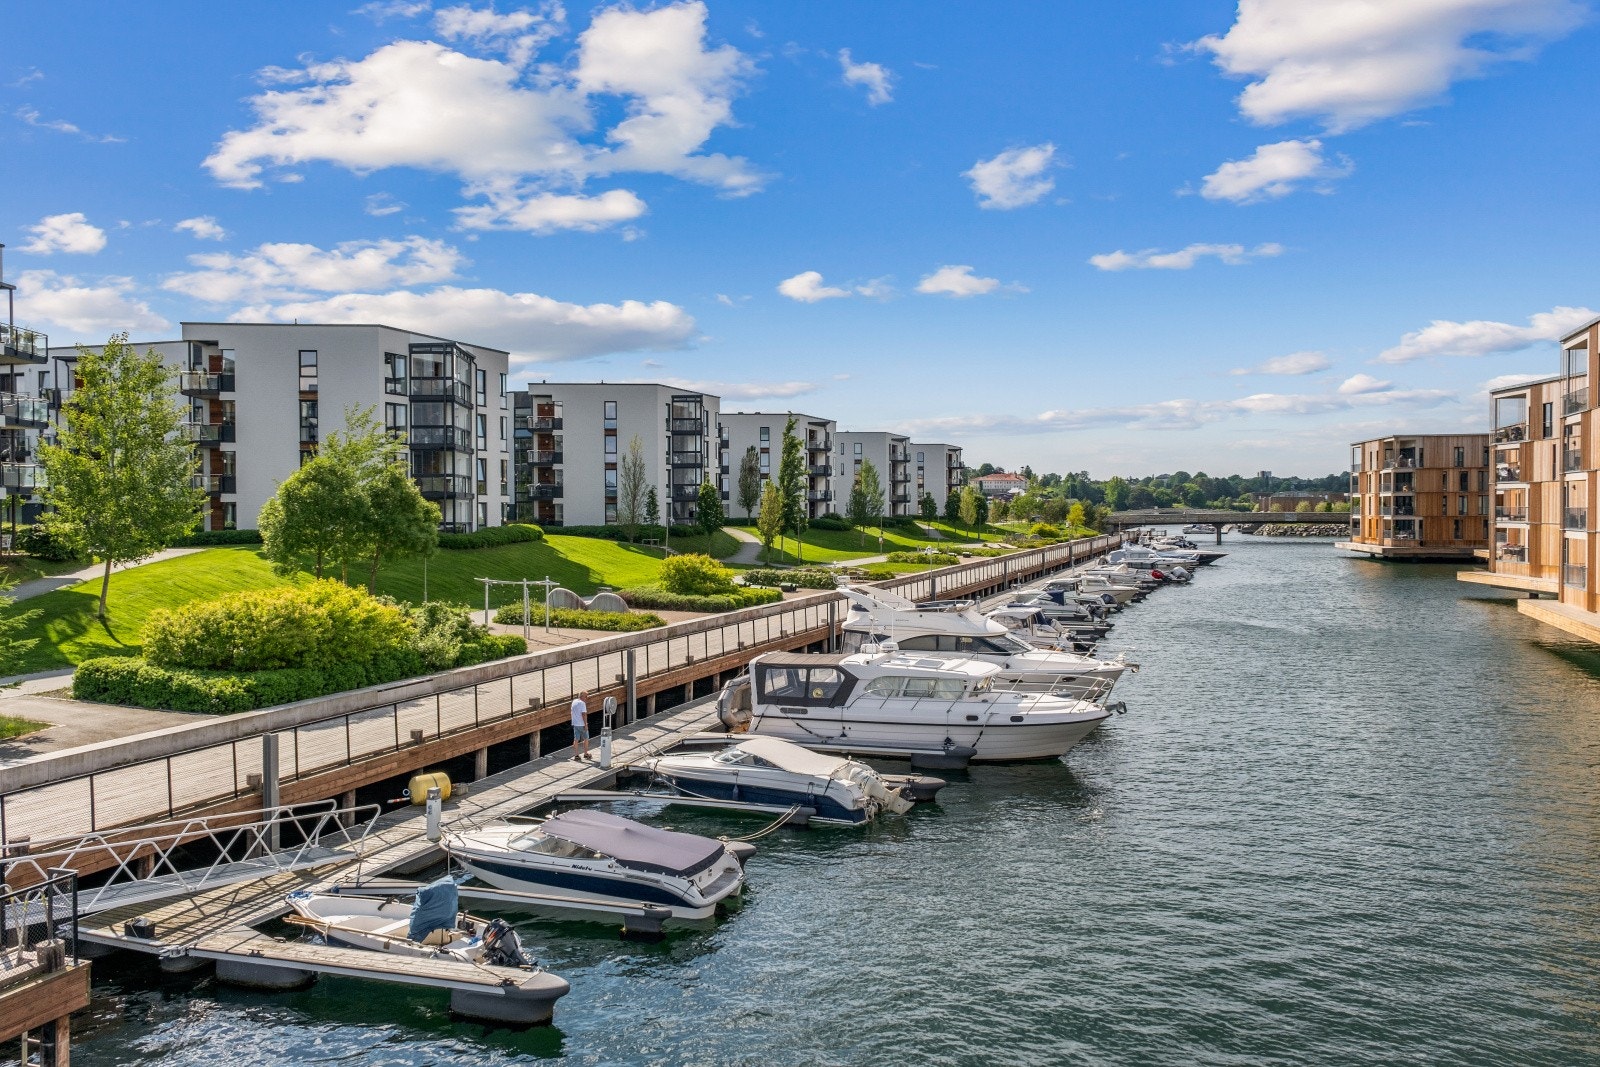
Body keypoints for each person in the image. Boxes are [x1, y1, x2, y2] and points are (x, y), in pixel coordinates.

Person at [570, 692, 591, 761]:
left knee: (576, 739)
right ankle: (585, 753)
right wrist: (586, 724)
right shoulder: (582, 703)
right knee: (586, 738)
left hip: (575, 724)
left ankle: (576, 755)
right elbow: (584, 714)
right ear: (582, 696)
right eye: (586, 696)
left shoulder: (574, 701)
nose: (587, 698)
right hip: (582, 724)